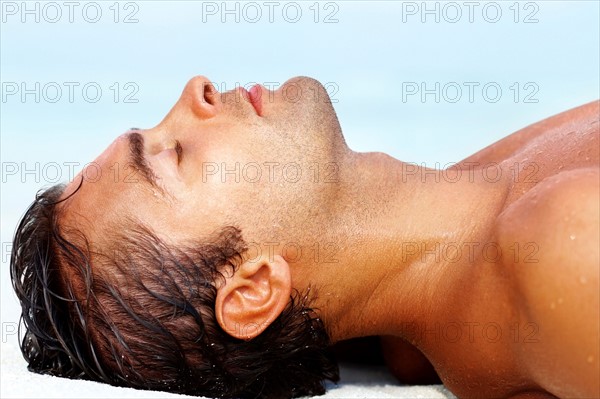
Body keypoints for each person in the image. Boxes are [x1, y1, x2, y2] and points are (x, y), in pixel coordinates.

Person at [10, 76, 599, 399]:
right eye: (172, 156)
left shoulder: (479, 199)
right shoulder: (559, 250)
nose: (197, 90)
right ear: (253, 289)